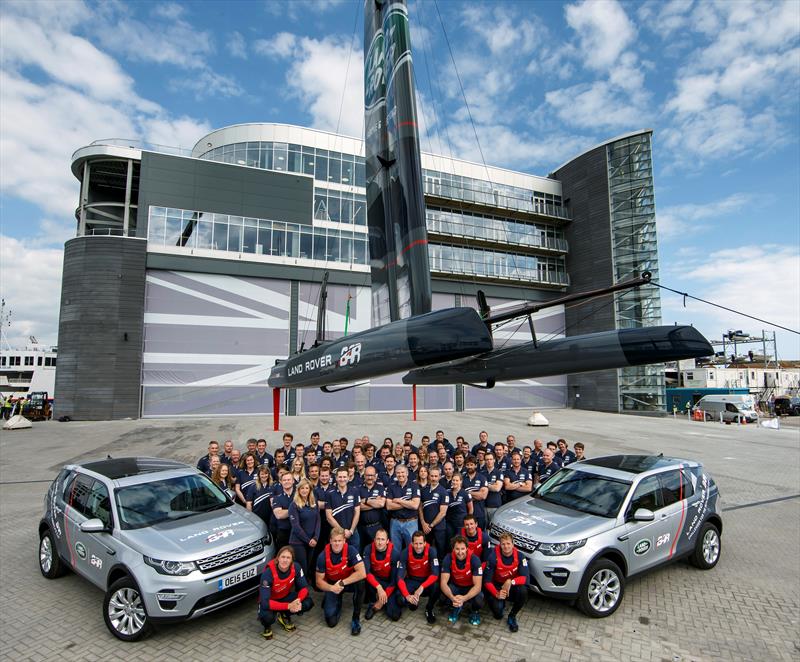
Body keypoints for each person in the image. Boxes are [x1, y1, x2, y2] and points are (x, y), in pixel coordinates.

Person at [316, 527, 366, 635]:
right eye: (334, 541)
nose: (337, 543)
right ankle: (336, 600)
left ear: (344, 541)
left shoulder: (351, 550)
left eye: (339, 541)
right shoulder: (322, 556)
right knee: (331, 622)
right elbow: (318, 582)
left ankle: (355, 619)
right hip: (332, 585)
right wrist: (331, 588)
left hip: (346, 583)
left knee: (361, 583)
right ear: (330, 541)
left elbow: (362, 573)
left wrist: (342, 583)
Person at [258, 546, 314, 640]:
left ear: (292, 560)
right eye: (283, 557)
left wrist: (297, 601)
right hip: (270, 601)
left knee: (308, 602)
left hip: (285, 596)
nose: (285, 560)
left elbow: (304, 588)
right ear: (278, 558)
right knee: (267, 617)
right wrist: (289, 606)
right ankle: (267, 626)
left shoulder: (296, 567)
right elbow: (265, 602)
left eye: (288, 558)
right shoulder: (268, 573)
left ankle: (284, 615)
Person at [483, 532, 529, 632]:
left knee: (523, 590)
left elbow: (525, 579)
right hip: (497, 587)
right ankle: (500, 604)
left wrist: (510, 582)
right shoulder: (493, 557)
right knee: (498, 615)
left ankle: (512, 616)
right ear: (500, 545)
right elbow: (487, 581)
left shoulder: (520, 557)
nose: (506, 546)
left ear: (513, 544)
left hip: (511, 587)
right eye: (503, 544)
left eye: (508, 543)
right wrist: (496, 594)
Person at [394, 531, 440, 623]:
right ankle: (412, 601)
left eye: (420, 543)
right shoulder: (405, 552)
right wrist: (407, 595)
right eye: (416, 543)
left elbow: (435, 575)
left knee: (437, 587)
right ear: (412, 543)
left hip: (426, 582)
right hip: (412, 581)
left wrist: (422, 587)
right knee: (400, 598)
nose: (418, 546)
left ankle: (429, 609)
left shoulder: (432, 551)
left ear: (425, 543)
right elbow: (399, 578)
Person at [440, 536, 483, 625]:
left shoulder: (475, 560)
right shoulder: (448, 558)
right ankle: (455, 608)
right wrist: (452, 598)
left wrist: (464, 598)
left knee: (479, 600)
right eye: (457, 549)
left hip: (470, 587)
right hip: (456, 587)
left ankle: (474, 612)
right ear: (453, 549)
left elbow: (478, 586)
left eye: (462, 549)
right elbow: (443, 583)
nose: (460, 552)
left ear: (467, 548)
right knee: (443, 598)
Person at [363, 529, 401, 621]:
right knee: (362, 579)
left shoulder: (394, 553)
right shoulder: (368, 549)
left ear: (388, 541)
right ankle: (372, 604)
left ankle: (381, 602)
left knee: (395, 616)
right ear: (374, 540)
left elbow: (394, 581)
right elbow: (366, 572)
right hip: (375, 581)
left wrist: (381, 601)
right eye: (378, 539)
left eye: (383, 539)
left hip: (389, 583)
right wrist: (379, 588)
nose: (380, 542)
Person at [289, 479, 320, 580]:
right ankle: (302, 590)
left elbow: (318, 521)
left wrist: (315, 538)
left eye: (307, 488)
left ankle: (306, 589)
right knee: (302, 569)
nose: (304, 490)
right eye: (302, 488)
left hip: (312, 541)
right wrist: (308, 540)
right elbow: (296, 526)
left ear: (310, 490)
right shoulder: (294, 505)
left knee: (309, 567)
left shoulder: (314, 502)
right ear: (298, 490)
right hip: (298, 542)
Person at [324, 467, 361, 550]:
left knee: (354, 559)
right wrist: (342, 531)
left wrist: (351, 530)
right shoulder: (329, 494)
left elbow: (357, 513)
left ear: (348, 478)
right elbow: (329, 517)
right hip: (336, 534)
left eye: (344, 477)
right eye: (340, 477)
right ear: (336, 478)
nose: (342, 479)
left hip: (352, 533)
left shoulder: (354, 491)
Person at [386, 465, 420, 552]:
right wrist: (409, 503)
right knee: (395, 550)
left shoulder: (414, 485)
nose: (400, 475)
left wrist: (398, 501)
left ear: (407, 473)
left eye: (402, 472)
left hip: (411, 522)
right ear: (395, 474)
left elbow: (415, 505)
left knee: (412, 549)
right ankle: (396, 565)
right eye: (398, 472)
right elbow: (389, 506)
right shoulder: (391, 486)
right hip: (395, 522)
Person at [419, 466, 449, 560]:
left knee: (440, 551)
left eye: (436, 476)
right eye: (432, 476)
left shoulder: (443, 492)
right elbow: (420, 508)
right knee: (425, 551)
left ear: (440, 477)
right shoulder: (423, 490)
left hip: (438, 527)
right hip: (425, 527)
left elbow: (443, 513)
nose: (434, 478)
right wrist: (423, 523)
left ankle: (440, 571)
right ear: (429, 476)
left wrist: (431, 525)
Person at [358, 466, 386, 552]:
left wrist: (365, 500)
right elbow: (358, 507)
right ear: (364, 476)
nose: (370, 477)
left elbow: (381, 504)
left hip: (376, 526)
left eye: (372, 475)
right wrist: (374, 502)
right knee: (362, 551)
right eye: (367, 475)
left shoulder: (380, 488)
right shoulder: (358, 489)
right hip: (361, 528)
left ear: (375, 476)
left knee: (376, 551)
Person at [445, 473, 472, 544]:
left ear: (461, 481)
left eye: (457, 480)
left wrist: (467, 521)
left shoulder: (465, 493)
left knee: (460, 542)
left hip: (461, 523)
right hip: (449, 523)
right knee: (449, 542)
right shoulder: (447, 492)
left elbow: (471, 509)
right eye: (453, 480)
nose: (454, 482)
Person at [462, 456, 488, 530]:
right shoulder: (462, 478)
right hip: (466, 513)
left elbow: (483, 496)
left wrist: (467, 492)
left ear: (476, 465)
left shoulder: (482, 478)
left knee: (481, 534)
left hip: (479, 513)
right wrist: (477, 494)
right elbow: (461, 496)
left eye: (471, 464)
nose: (469, 467)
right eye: (467, 465)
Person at [272, 471, 296, 549]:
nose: (286, 482)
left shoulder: (299, 495)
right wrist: (297, 509)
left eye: (289, 480)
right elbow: (279, 515)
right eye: (284, 480)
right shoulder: (277, 498)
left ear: (293, 481)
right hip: (283, 532)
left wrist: (285, 511)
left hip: (298, 531)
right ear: (281, 482)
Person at [481, 452, 504, 525]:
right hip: (483, 505)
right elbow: (479, 488)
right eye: (487, 459)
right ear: (484, 461)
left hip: (494, 505)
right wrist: (491, 485)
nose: (489, 461)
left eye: (491, 459)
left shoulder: (499, 473)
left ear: (494, 460)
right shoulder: (481, 473)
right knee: (483, 526)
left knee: (493, 527)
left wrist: (485, 485)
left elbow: (497, 488)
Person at [251, 466, 273, 531]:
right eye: (262, 474)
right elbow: (249, 503)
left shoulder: (273, 485)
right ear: (259, 475)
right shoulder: (253, 486)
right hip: (257, 516)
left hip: (270, 516)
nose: (264, 476)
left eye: (266, 473)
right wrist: (250, 516)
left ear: (269, 474)